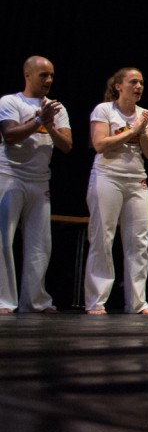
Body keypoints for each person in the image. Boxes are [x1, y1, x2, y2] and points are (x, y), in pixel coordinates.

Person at [0, 56, 72, 313]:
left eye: (51, 75)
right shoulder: (11, 102)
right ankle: (4, 301)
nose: (49, 80)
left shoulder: (56, 108)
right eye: (43, 75)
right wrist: (39, 121)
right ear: (28, 75)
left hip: (40, 180)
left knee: (40, 244)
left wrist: (49, 126)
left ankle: (35, 301)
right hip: (10, 176)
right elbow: (10, 135)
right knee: (3, 239)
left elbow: (66, 145)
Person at [84, 67, 148, 314]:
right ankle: (96, 301)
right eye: (133, 82)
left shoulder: (146, 115)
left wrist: (142, 131)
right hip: (108, 176)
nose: (138, 86)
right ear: (118, 86)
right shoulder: (105, 110)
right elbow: (99, 144)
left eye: (141, 82)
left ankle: (137, 302)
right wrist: (131, 131)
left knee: (139, 242)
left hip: (136, 179)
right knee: (103, 238)